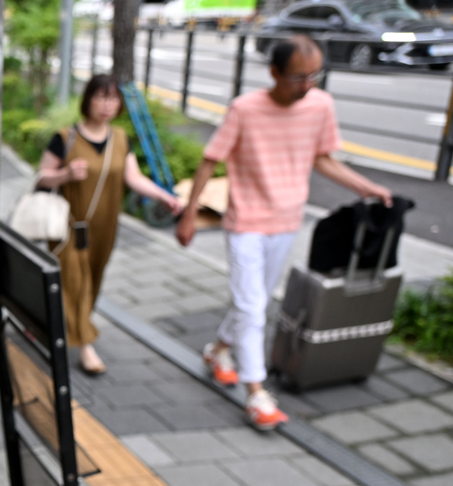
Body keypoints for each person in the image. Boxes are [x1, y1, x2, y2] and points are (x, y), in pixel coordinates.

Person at [177, 35, 392, 430]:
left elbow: (323, 159)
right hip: (245, 221)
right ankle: (256, 392)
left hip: (287, 220)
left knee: (253, 303)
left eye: (314, 76)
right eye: (297, 77)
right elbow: (210, 160)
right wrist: (189, 216)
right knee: (252, 306)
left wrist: (366, 187)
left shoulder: (320, 105)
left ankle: (218, 350)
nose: (307, 85)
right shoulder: (245, 109)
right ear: (274, 72)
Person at [36, 74, 183, 375]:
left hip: (104, 226)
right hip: (69, 226)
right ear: (87, 100)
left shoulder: (119, 138)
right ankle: (84, 345)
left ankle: (56, 322)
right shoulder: (66, 137)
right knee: (74, 282)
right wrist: (65, 175)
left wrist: (163, 196)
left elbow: (133, 177)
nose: (107, 105)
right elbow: (41, 177)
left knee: (93, 280)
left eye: (113, 98)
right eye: (101, 97)